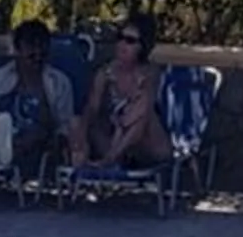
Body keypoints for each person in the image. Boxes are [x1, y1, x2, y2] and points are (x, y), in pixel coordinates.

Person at [0, 18, 77, 185]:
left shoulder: (58, 82)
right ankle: (0, 156)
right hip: (1, 131)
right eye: (31, 47)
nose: (38, 53)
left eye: (42, 47)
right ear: (17, 50)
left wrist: (52, 132)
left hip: (37, 139)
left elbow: (65, 124)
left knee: (33, 136)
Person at [72, 14, 171, 175]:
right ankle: (102, 159)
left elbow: (143, 106)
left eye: (130, 41)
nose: (122, 44)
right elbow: (92, 108)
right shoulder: (105, 73)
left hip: (149, 145)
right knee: (83, 120)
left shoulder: (150, 73)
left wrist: (122, 124)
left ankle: (110, 159)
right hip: (117, 141)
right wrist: (81, 135)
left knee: (142, 111)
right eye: (120, 38)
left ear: (143, 46)